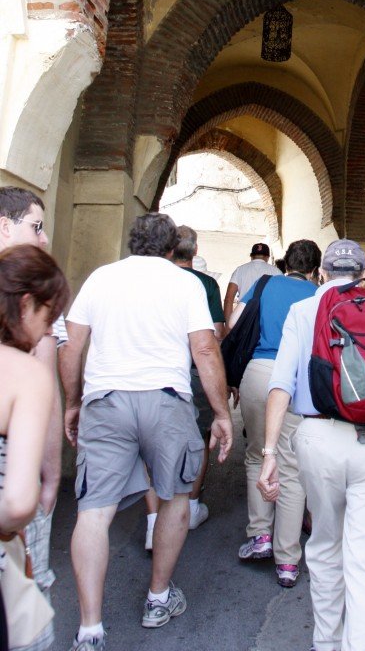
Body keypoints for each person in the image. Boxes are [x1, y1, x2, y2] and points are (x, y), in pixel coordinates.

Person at [60, 213, 233, 651]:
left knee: (94, 512)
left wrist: (74, 401)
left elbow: (73, 345)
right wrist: (220, 412)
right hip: (166, 401)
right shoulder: (186, 284)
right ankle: (158, 598)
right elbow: (205, 347)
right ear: (173, 248)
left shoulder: (101, 279)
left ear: (131, 242)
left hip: (107, 400)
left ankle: (89, 630)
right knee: (175, 496)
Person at [257, 238, 365, 651]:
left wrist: (269, 453)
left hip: (320, 442)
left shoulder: (303, 310)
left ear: (322, 273)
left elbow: (281, 384)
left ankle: (326, 643)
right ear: (363, 270)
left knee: (324, 547)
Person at [237, 239, 320, 588]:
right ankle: (287, 560)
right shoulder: (318, 295)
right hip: (296, 381)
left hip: (258, 373)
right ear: (316, 268)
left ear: (285, 263)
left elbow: (237, 322)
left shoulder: (265, 283)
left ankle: (260, 535)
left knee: (257, 454)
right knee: (291, 467)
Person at [0, 244, 70, 651]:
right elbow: (18, 503)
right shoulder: (26, 374)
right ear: (25, 304)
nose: (49, 332)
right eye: (49, 317)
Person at [143, 225, 226, 550]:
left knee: (151, 443)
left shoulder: (152, 280)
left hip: (155, 371)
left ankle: (153, 521)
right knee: (199, 436)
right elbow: (215, 335)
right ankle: (190, 506)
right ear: (194, 250)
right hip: (193, 372)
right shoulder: (205, 283)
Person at [223, 242, 281, 329]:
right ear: (267, 257)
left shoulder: (239, 270)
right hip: (266, 320)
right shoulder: (276, 272)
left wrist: (227, 327)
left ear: (251, 256)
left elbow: (228, 299)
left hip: (243, 318)